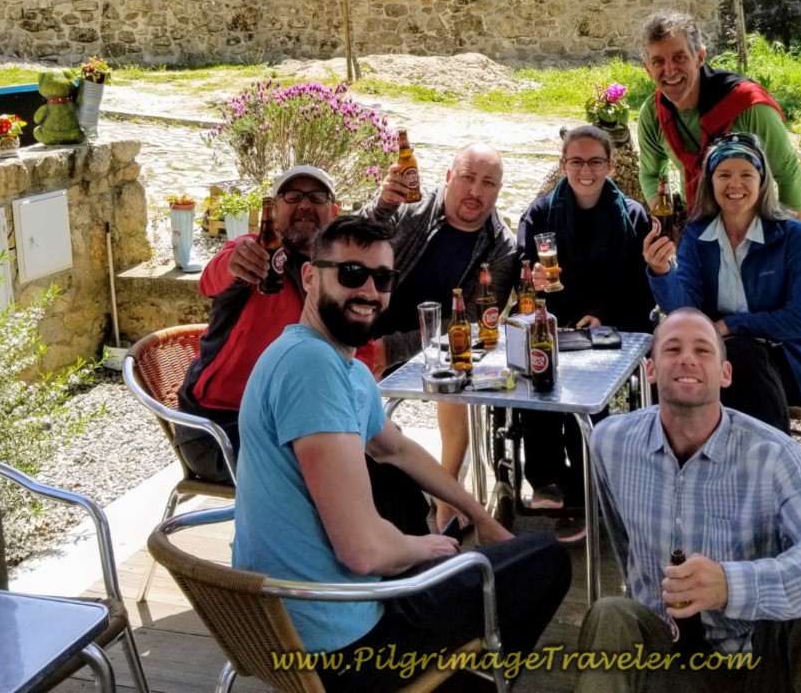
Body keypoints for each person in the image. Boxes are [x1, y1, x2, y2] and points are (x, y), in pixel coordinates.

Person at [233, 217, 571, 692]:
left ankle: (456, 678)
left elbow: (397, 448)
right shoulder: (311, 366)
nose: (369, 291)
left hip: (303, 615)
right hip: (337, 641)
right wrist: (426, 548)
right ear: (310, 276)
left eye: (383, 279)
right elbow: (363, 551)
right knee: (545, 560)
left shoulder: (339, 365)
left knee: (400, 488)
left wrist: (480, 516)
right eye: (351, 274)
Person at [576, 308, 801, 693]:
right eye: (672, 349)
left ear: (725, 373)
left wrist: (733, 586)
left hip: (756, 660)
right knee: (611, 614)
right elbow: (622, 541)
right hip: (666, 656)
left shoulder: (772, 455)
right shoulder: (610, 442)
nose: (687, 358)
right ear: (649, 370)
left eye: (703, 350)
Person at [175, 167, 431, 533]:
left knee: (390, 467)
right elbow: (214, 276)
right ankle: (379, 569)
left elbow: (351, 362)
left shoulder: (337, 280)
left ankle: (409, 567)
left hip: (294, 422)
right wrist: (235, 263)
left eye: (317, 197)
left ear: (335, 210)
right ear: (274, 211)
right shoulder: (254, 256)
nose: (305, 205)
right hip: (220, 431)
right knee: (359, 475)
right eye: (292, 197)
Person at [363, 142, 519, 526]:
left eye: (488, 183)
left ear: (498, 191)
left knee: (457, 375)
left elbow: (479, 321)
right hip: (367, 325)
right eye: (467, 178)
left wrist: (394, 348)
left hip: (437, 344)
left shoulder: (502, 248)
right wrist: (382, 206)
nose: (475, 192)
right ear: (449, 177)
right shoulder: (411, 209)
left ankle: (447, 495)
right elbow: (355, 243)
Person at [643, 132, 801, 434]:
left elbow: (798, 321)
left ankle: (770, 468)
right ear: (711, 183)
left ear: (762, 183)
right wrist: (661, 271)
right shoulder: (698, 235)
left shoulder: (795, 238)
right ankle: (677, 461)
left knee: (740, 360)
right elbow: (686, 312)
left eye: (746, 174)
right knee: (669, 357)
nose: (735, 184)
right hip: (724, 353)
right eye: (724, 175)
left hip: (795, 359)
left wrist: (730, 326)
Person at [517, 125, 656, 540]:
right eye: (575, 161)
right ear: (562, 165)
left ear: (611, 165)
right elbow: (523, 276)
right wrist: (533, 277)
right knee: (537, 371)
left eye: (596, 161)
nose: (585, 170)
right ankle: (547, 479)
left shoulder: (632, 217)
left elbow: (642, 286)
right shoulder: (540, 214)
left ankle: (585, 490)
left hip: (613, 327)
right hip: (554, 325)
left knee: (591, 392)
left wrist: (604, 315)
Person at [636, 11, 801, 218]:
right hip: (695, 228)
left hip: (752, 230)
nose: (670, 70)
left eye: (679, 57)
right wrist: (666, 219)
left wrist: (793, 240)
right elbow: (651, 173)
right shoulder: (653, 113)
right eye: (658, 62)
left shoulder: (748, 105)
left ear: (700, 57)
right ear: (647, 69)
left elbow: (787, 174)